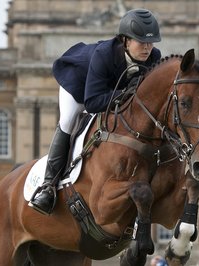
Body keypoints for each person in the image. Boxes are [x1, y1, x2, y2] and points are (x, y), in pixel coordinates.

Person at [29, 8, 162, 215]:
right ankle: (48, 186)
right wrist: (127, 92)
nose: (147, 48)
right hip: (80, 87)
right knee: (68, 121)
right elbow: (92, 103)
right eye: (141, 42)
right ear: (126, 40)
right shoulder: (104, 54)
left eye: (150, 42)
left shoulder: (154, 57)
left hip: (110, 92)